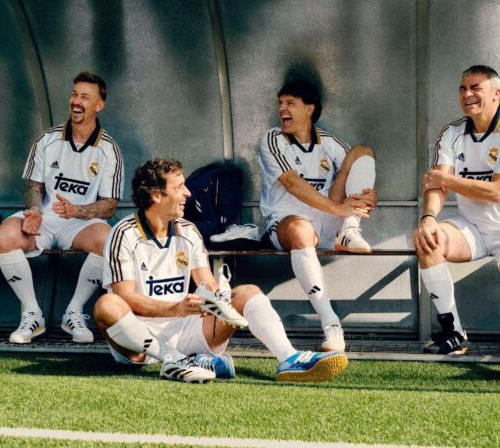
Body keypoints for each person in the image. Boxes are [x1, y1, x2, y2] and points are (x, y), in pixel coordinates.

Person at [95, 158, 348, 384]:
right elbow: (125, 297)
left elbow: (204, 280)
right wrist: (173, 309)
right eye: (179, 187)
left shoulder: (188, 230)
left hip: (184, 327)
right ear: (156, 195)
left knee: (247, 292)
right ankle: (176, 361)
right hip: (139, 341)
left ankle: (289, 358)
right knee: (106, 304)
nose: (187, 193)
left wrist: (217, 299)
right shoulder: (124, 234)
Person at [413, 65, 500, 377]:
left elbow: (497, 191)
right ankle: (454, 333)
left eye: (475, 87)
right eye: (462, 89)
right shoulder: (451, 133)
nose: (467, 94)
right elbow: (436, 185)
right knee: (426, 240)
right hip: (472, 227)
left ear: (496, 93)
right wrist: (429, 218)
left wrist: (448, 180)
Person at [0, 72, 123, 344]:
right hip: (46, 219)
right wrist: (35, 210)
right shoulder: (48, 139)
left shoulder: (109, 150)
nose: (76, 101)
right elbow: (34, 187)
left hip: (79, 223)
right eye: (74, 94)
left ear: (99, 105)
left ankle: (74, 312)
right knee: (3, 236)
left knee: (109, 241)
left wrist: (77, 211)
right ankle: (32, 314)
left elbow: (110, 206)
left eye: (85, 97)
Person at [257, 79, 378, 353]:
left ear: (309, 109)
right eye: (280, 103)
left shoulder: (329, 142)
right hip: (287, 223)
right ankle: (331, 325)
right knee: (301, 230)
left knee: (362, 153)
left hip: (327, 219)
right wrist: (338, 208)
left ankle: (349, 230)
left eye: (290, 103)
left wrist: (369, 196)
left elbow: (359, 171)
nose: (282, 110)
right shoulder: (272, 139)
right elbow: (291, 183)